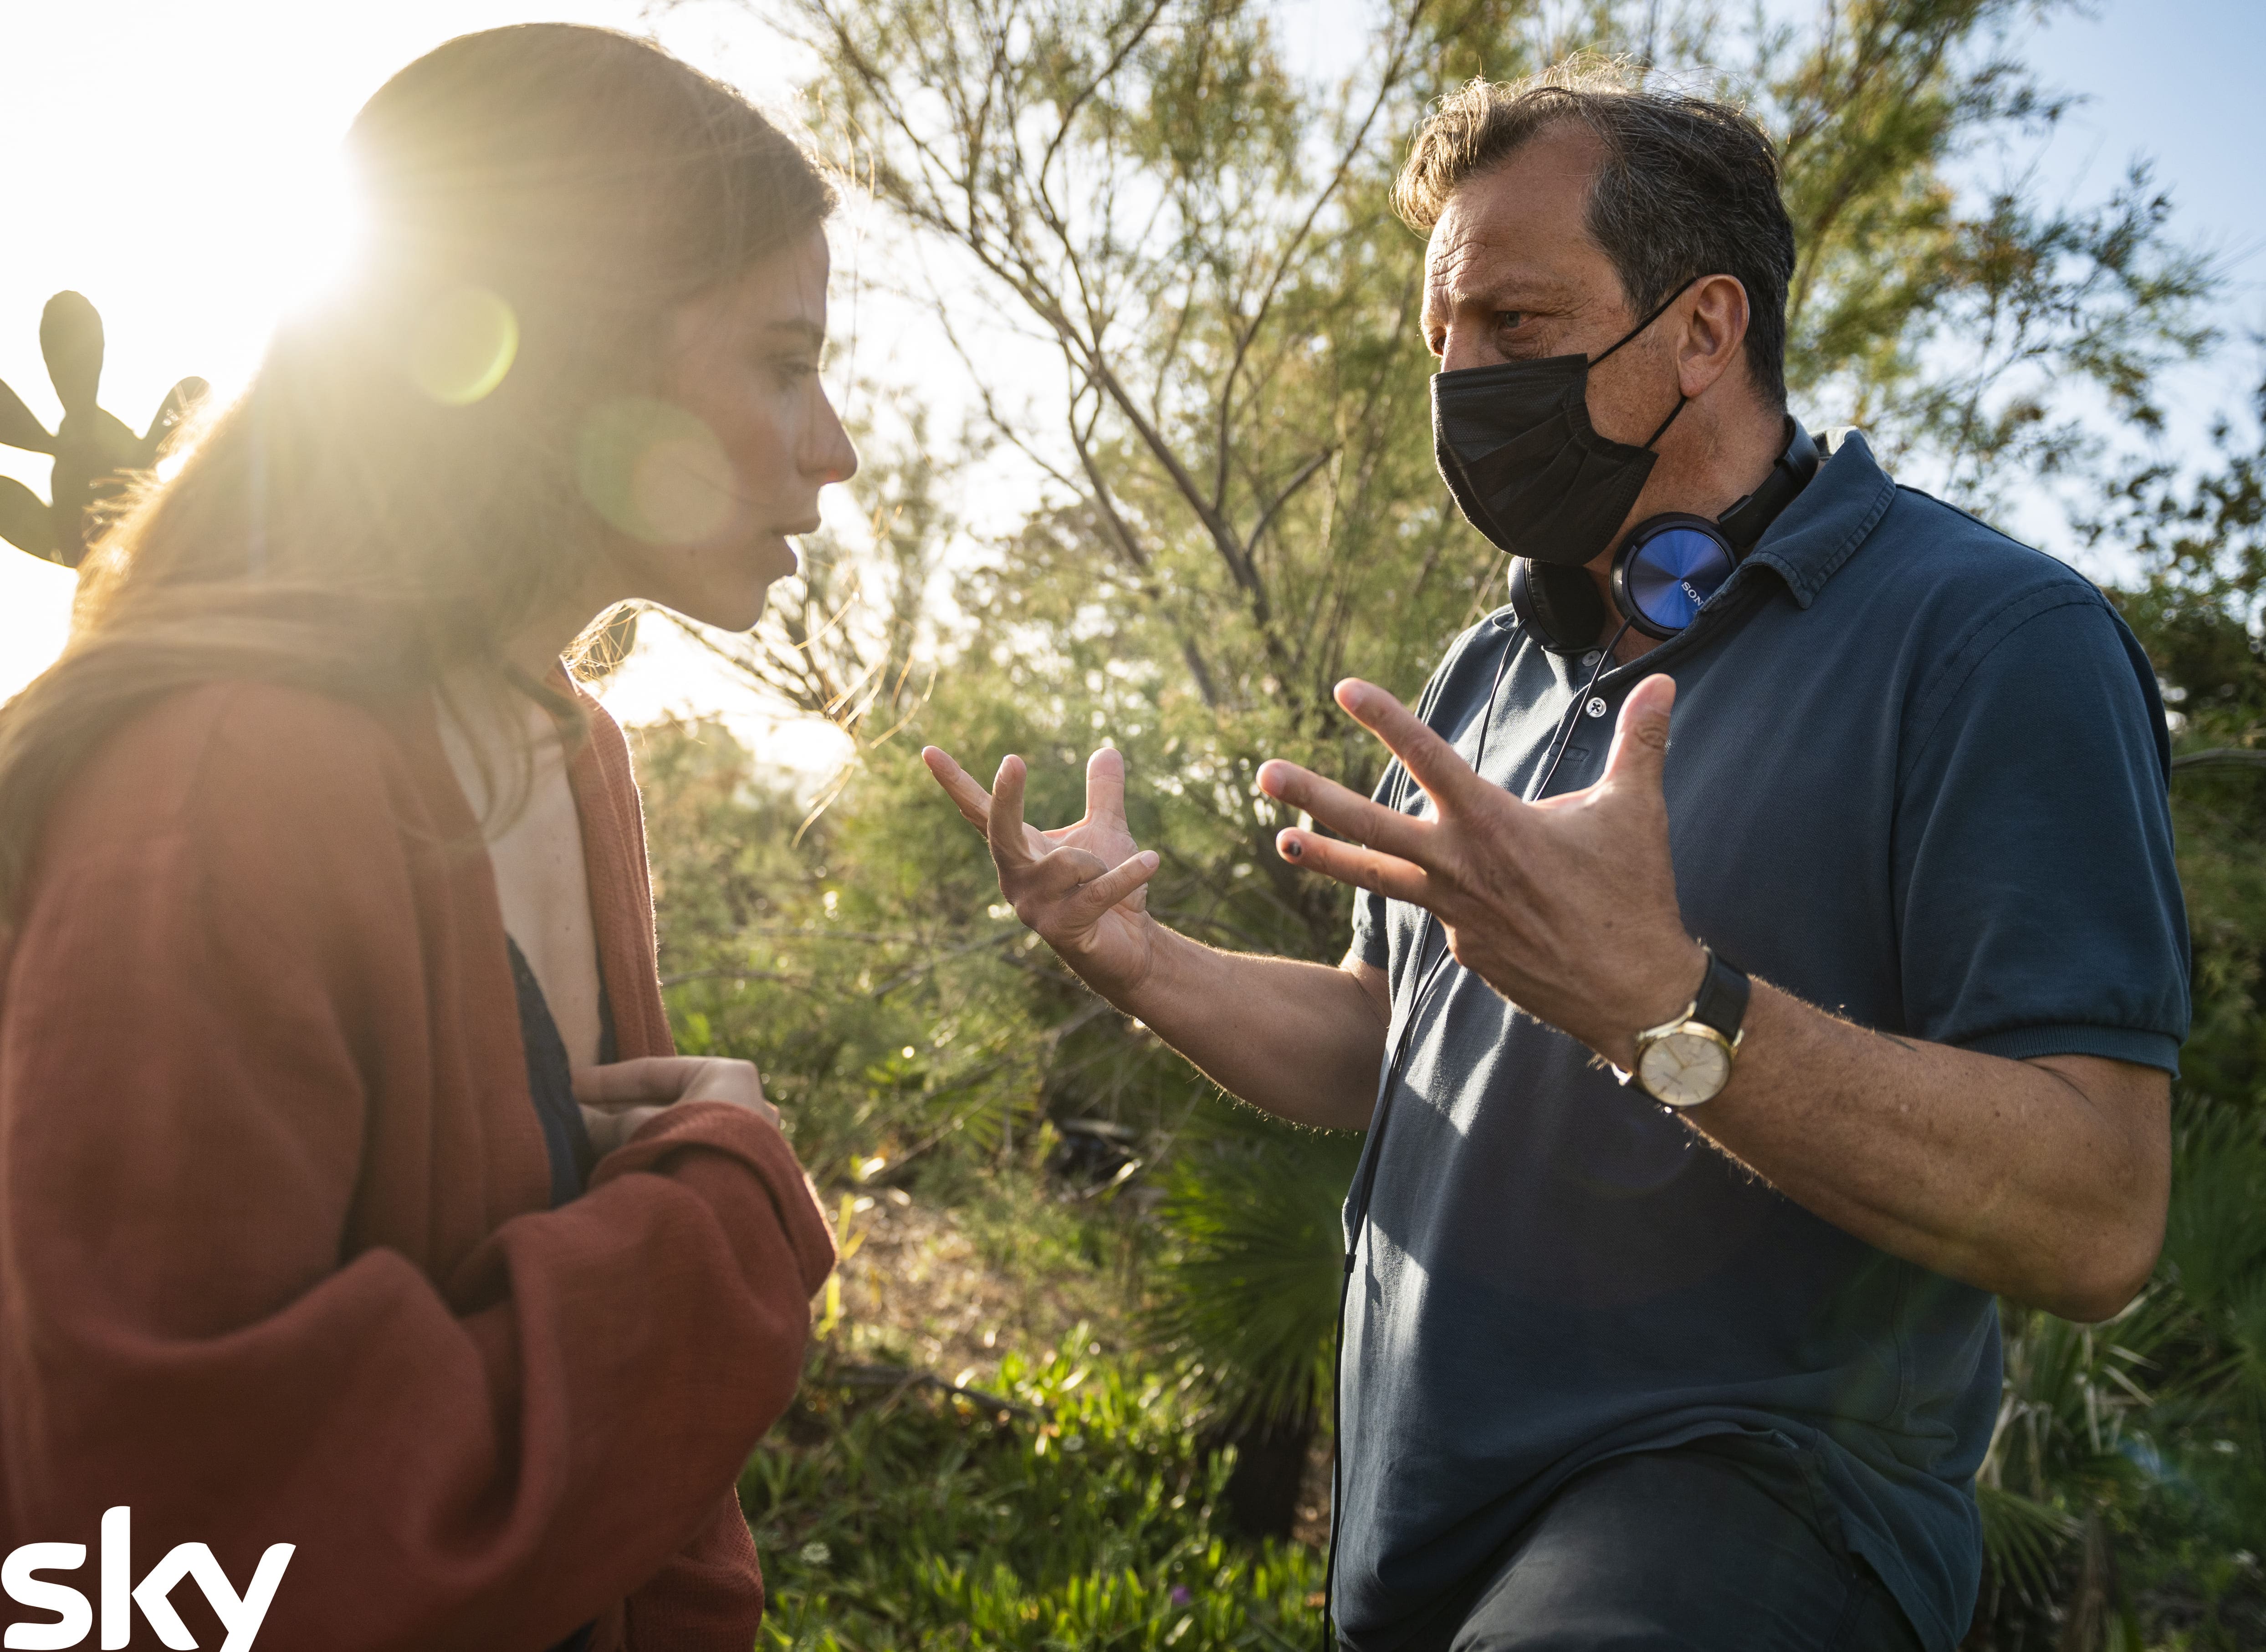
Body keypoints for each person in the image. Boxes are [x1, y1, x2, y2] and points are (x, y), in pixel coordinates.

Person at [924, 59, 2189, 1652]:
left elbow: (2096, 1212)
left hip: (1752, 1518)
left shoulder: (1998, 641)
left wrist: (1665, 1004)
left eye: (1515, 325)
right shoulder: (1490, 666)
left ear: (1705, 329)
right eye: (1441, 337)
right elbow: (1381, 1040)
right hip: (1422, 1544)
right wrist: (1136, 958)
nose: (1462, 379)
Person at [0, 25, 855, 1650]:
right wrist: (718, 1223)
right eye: (782, 361)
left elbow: (654, 1515)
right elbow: (155, 1552)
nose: (836, 444)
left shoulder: (575, 754)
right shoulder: (222, 788)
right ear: (575, 355)